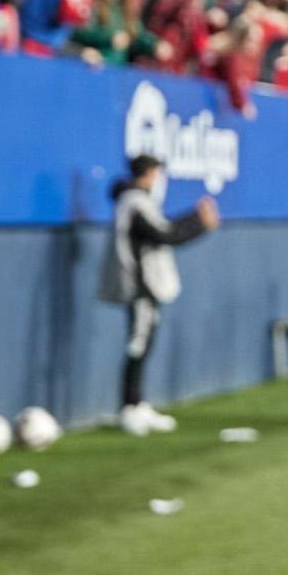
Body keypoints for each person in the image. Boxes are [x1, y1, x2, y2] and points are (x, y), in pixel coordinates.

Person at [99, 154, 220, 437]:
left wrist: (194, 219)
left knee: (144, 342)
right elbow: (164, 234)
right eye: (157, 172)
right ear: (149, 173)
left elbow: (163, 229)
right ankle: (129, 408)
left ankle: (137, 403)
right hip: (138, 286)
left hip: (147, 286)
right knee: (138, 343)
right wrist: (199, 222)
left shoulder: (138, 201)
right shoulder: (134, 202)